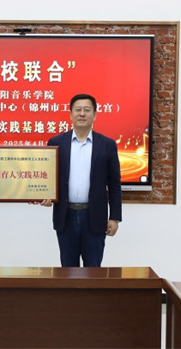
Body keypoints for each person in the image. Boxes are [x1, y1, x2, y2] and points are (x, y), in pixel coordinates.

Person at [41, 93, 122, 267]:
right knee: (68, 270)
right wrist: (45, 195)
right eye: (78, 110)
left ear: (95, 115)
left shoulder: (107, 145)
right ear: (70, 114)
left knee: (93, 271)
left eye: (87, 110)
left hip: (95, 217)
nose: (82, 114)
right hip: (66, 216)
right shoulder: (56, 142)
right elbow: (48, 177)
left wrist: (114, 217)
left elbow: (114, 184)